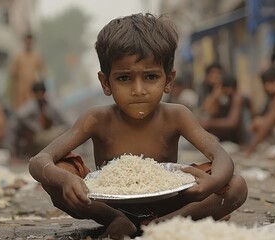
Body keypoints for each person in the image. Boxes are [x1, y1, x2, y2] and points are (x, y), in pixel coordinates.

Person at [29, 13, 247, 239]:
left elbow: (221, 155)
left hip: (168, 203)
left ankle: (170, 221)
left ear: (169, 80)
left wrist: (211, 183)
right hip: (109, 205)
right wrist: (65, 179)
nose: (138, 90)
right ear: (106, 83)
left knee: (236, 186)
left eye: (151, 77)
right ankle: (116, 221)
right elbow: (39, 162)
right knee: (55, 176)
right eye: (124, 78)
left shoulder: (177, 115)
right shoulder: (96, 119)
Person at [13, 82, 67, 157]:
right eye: (37, 94)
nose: (39, 96)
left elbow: (63, 120)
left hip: (50, 132)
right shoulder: (31, 105)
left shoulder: (50, 105)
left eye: (41, 93)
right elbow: (20, 116)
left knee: (62, 132)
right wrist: (34, 126)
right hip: (36, 134)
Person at [200, 76, 253, 145]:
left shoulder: (237, 98)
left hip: (244, 141)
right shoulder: (225, 100)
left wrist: (210, 123)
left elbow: (232, 123)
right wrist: (214, 97)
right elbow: (207, 110)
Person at [10, 34, 47, 109]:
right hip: (21, 91)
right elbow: (13, 74)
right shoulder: (18, 57)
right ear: (24, 42)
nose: (28, 43)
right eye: (27, 41)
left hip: (32, 90)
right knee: (21, 110)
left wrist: (40, 86)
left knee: (32, 109)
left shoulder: (36, 56)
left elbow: (43, 72)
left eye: (30, 42)